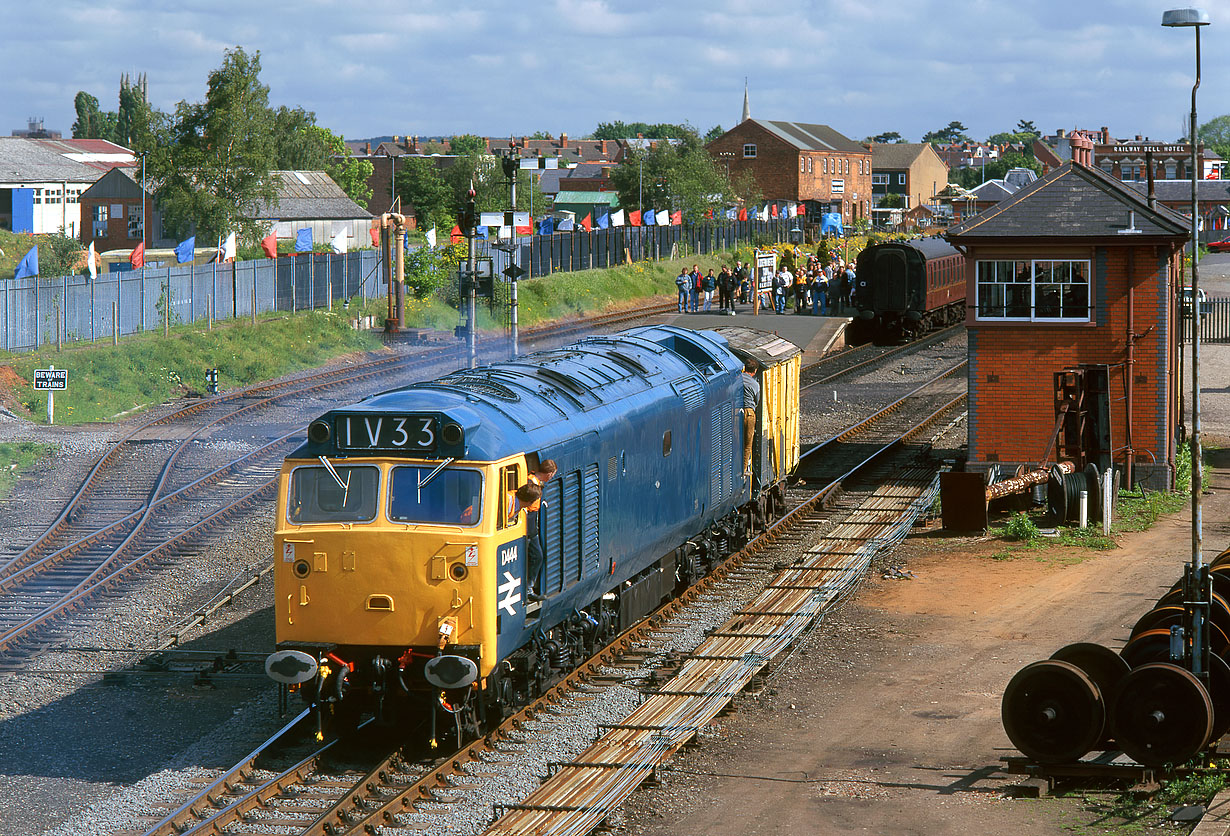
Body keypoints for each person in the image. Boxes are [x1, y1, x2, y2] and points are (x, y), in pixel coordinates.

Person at [741, 360, 760, 478]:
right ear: (755, 371)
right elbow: (756, 401)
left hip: (735, 412)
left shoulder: (738, 378)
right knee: (747, 443)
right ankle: (743, 469)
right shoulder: (755, 384)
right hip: (749, 413)